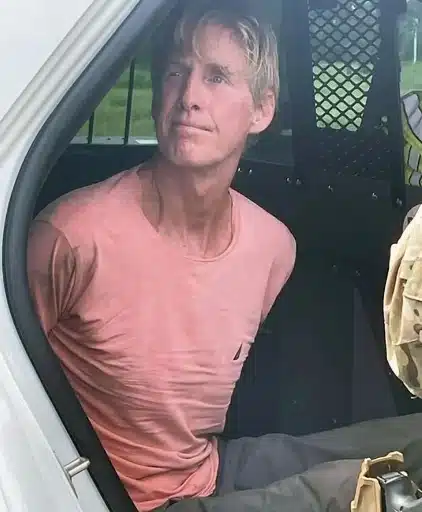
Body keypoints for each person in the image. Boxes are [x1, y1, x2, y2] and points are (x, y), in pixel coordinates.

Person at [26, 2, 422, 512]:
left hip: (207, 470)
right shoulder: (71, 236)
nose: (189, 97)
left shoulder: (273, 246)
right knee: (366, 491)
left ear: (262, 110)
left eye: (216, 77)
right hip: (121, 500)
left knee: (411, 444)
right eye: (176, 72)